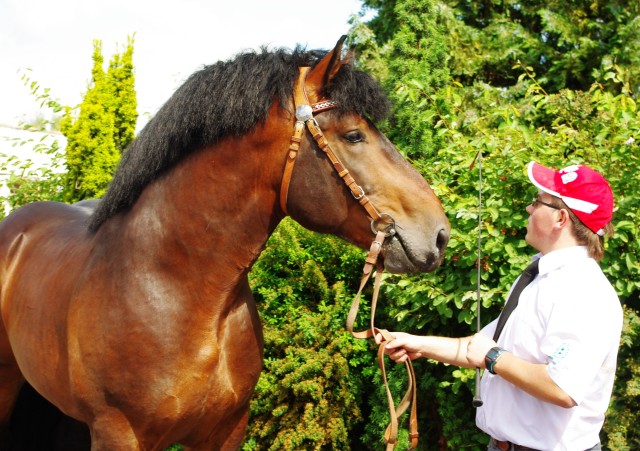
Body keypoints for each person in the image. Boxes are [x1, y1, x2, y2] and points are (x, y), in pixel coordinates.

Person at [379, 161, 622, 451]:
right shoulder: (537, 276)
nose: (529, 209)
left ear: (560, 218)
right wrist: (416, 343)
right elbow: (480, 347)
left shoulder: (583, 291)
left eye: (537, 202)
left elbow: (562, 387)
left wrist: (494, 357)